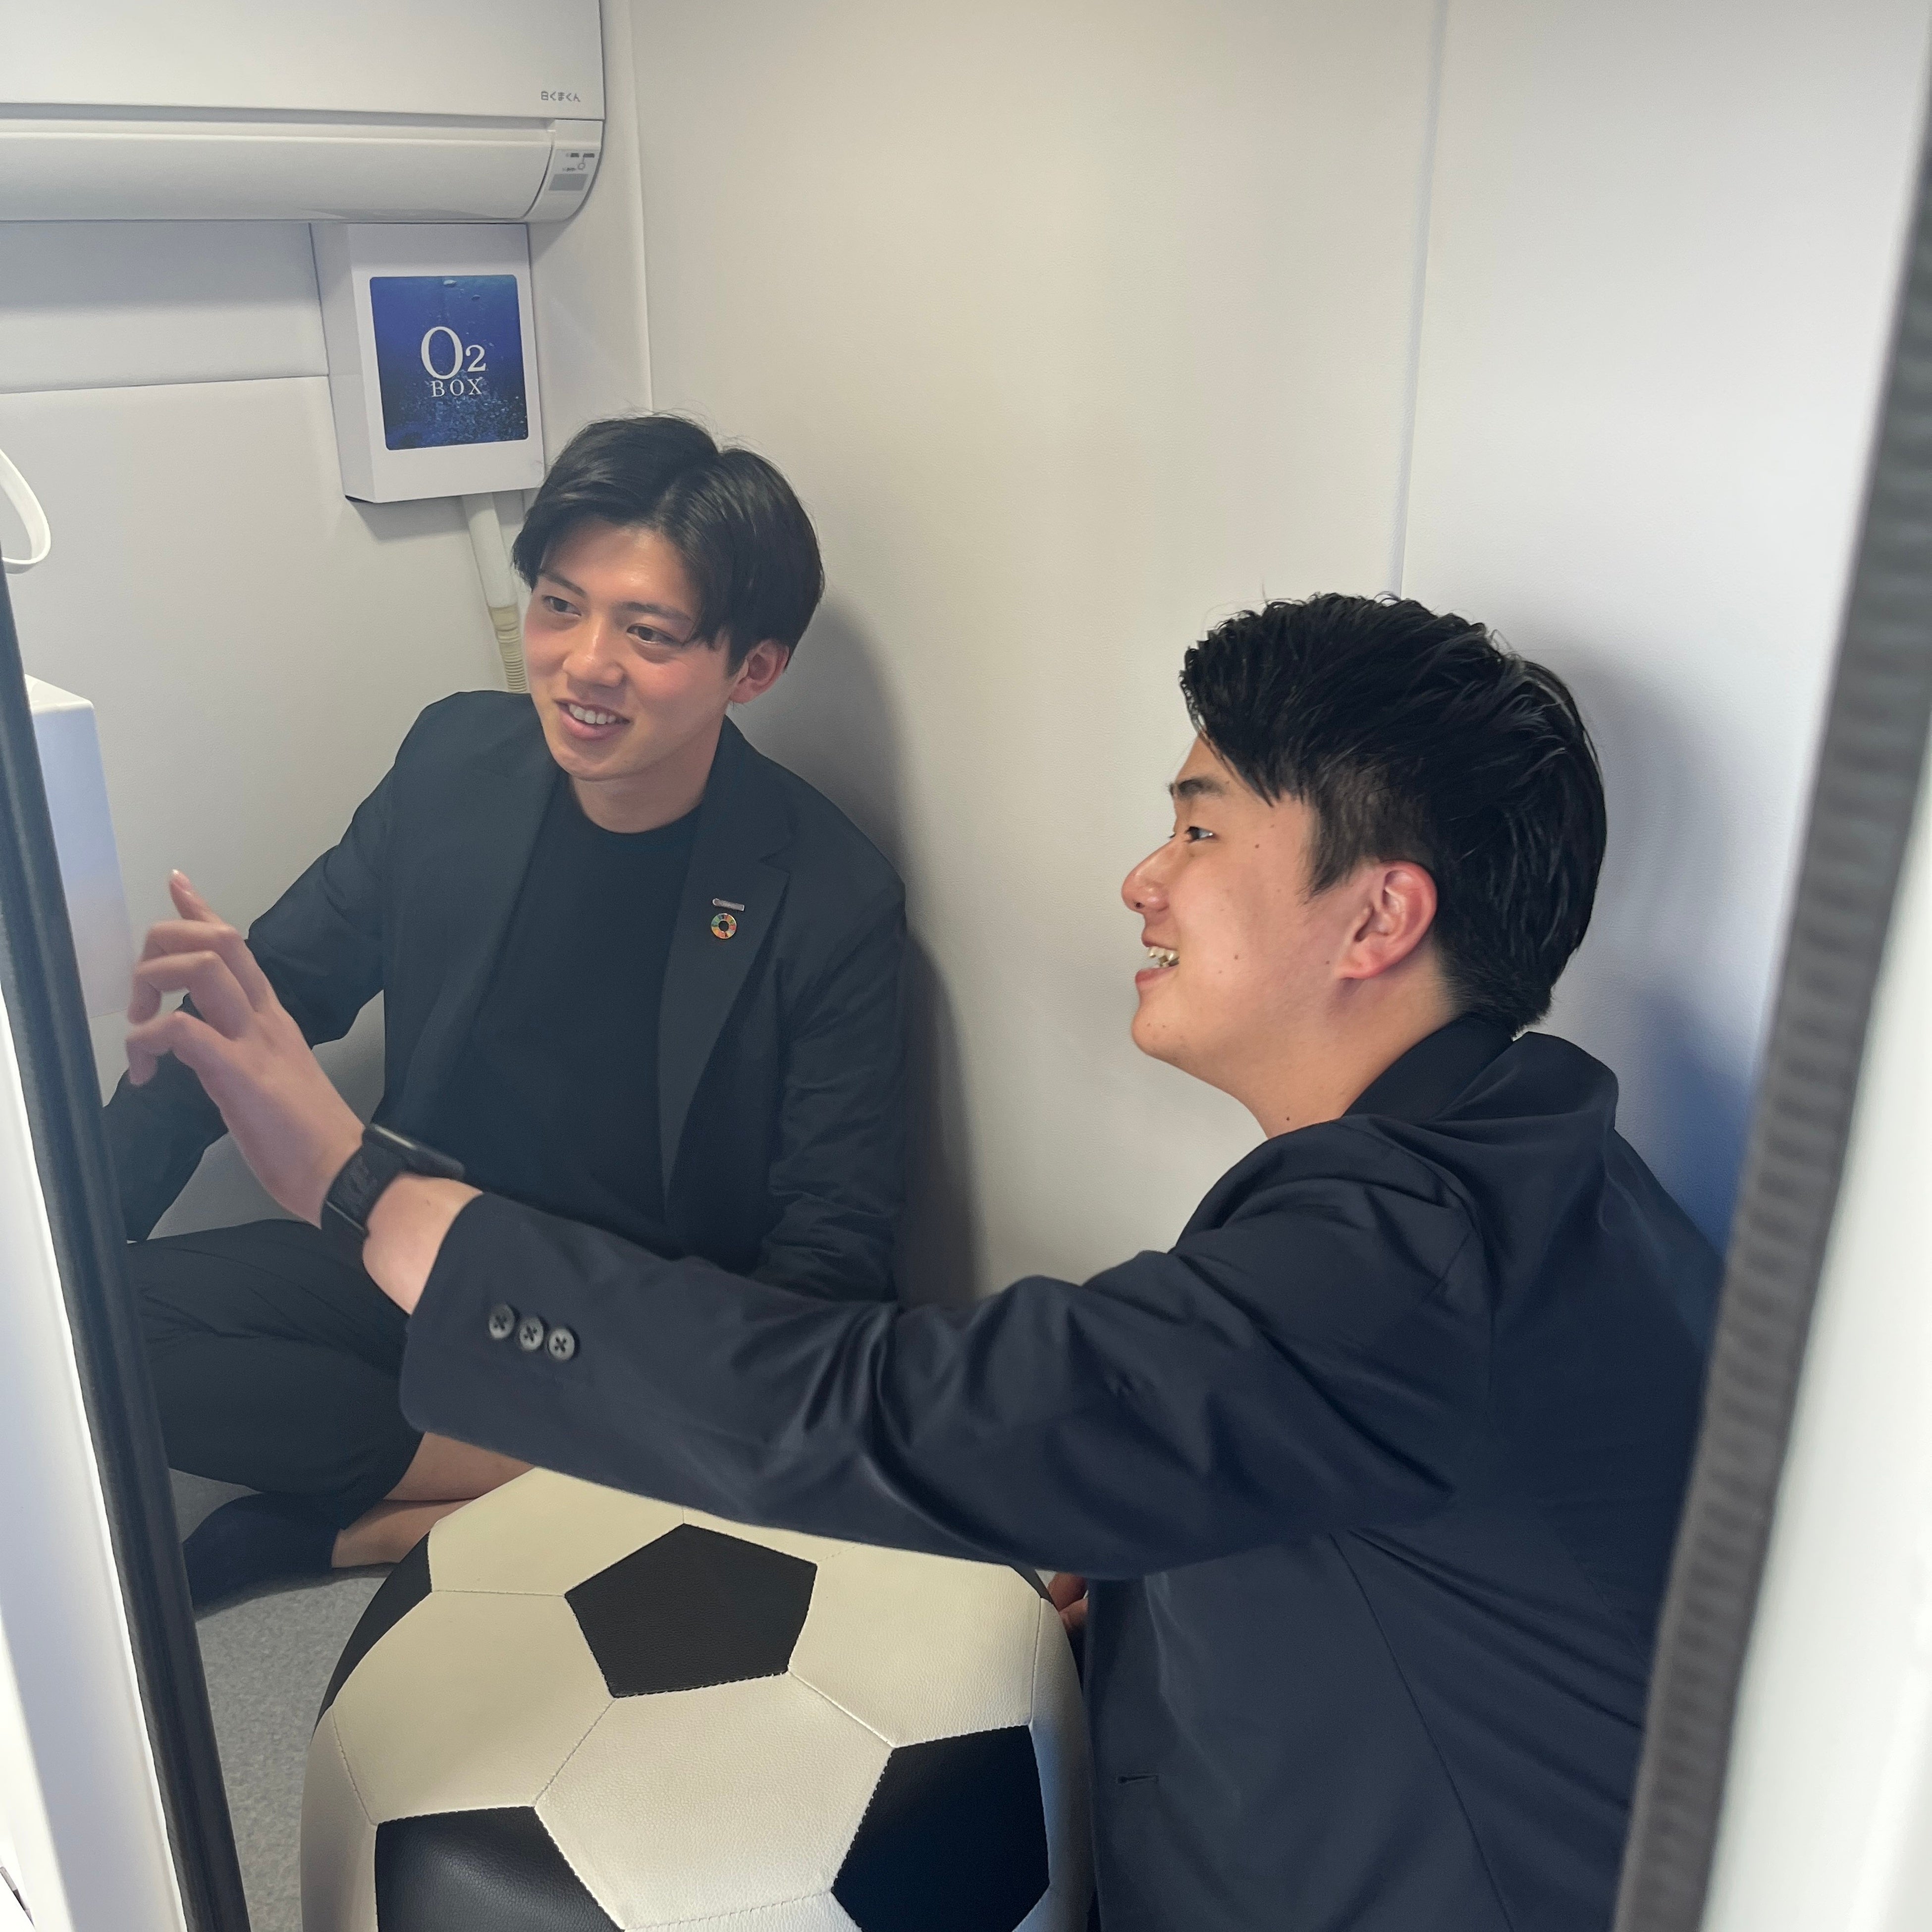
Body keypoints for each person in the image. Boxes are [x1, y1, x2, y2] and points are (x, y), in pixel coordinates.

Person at [126, 592, 1718, 1931]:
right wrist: (1148, 1563)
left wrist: (368, 1194)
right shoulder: (1520, 1154)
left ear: (1376, 919)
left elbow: (880, 1394)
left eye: (1197, 824)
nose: (1143, 878)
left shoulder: (1404, 1259)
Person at [108, 414, 907, 1606]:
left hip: (620, 1329)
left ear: (753, 670)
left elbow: (833, 1261)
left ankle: (376, 1525)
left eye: (648, 632)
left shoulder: (829, 894)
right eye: (559, 606)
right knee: (89, 1328)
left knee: (790, 1396)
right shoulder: (454, 765)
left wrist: (714, 1401)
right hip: (406, 1259)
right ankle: (538, 1490)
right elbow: (256, 1006)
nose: (584, 663)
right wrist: (72, 1239)